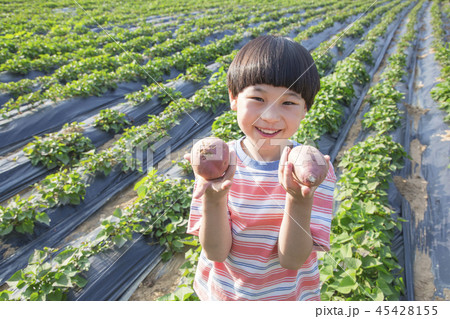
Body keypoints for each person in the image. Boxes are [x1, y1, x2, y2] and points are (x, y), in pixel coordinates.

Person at [185, 35, 336, 301]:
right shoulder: (216, 165)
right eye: (257, 98)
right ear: (233, 98)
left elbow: (291, 260)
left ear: (305, 109)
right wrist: (214, 198)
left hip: (285, 297)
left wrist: (298, 199)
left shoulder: (312, 171)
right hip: (225, 295)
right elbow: (216, 253)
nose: (269, 116)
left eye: (288, 103)